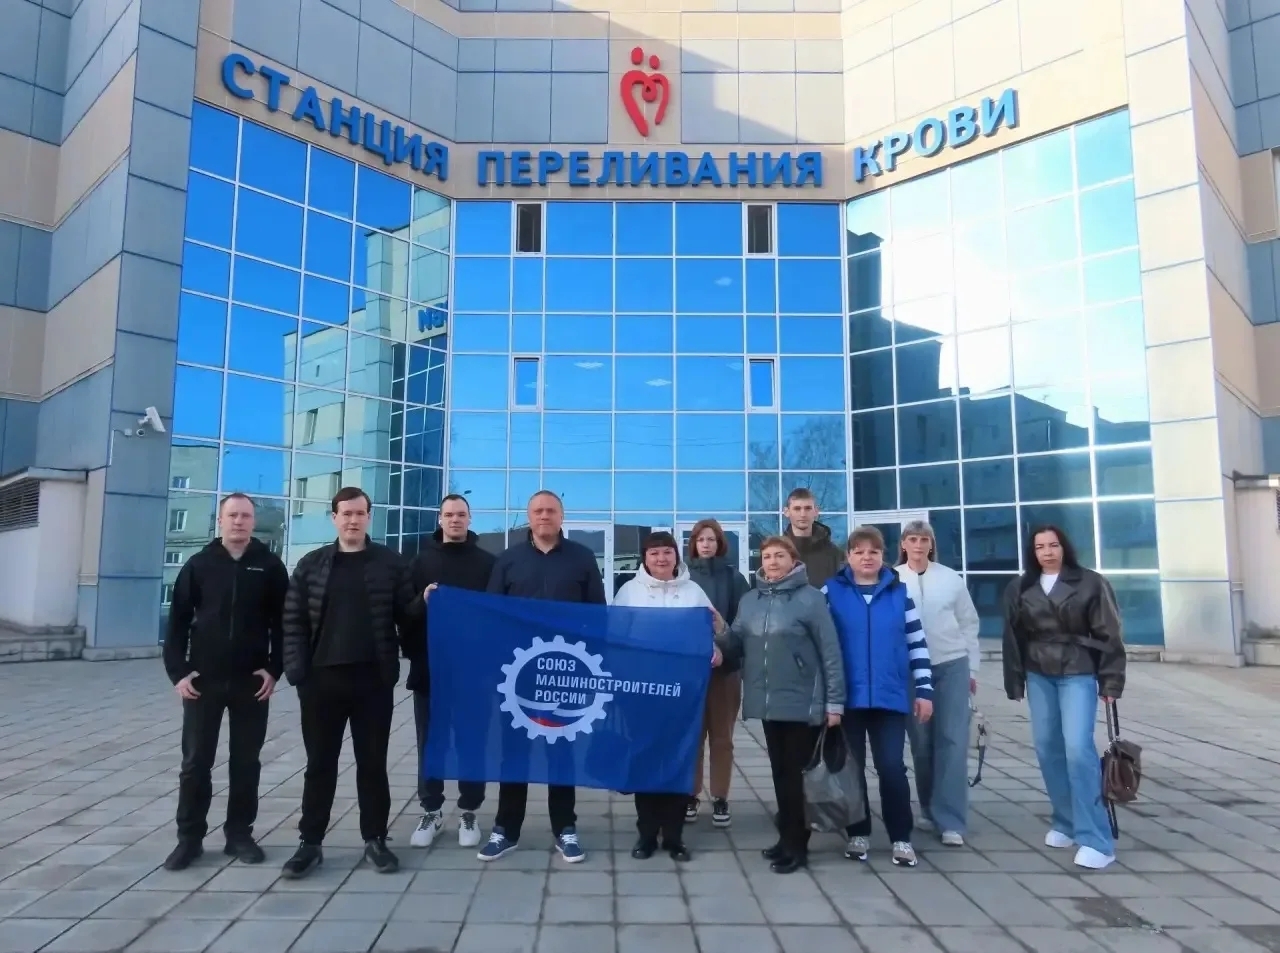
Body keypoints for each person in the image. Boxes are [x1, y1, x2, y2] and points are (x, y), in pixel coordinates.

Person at [280, 487, 419, 879]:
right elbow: (292, 620)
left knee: (372, 765)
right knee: (319, 765)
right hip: (321, 682)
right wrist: (298, 673)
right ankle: (310, 843)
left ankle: (375, 839)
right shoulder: (311, 564)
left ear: (369, 517)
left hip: (372, 682)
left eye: (360, 513)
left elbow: (406, 616)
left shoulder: (389, 563)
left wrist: (425, 601)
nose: (353, 520)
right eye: (346, 513)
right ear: (334, 518)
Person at [161, 493, 289, 871]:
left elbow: (284, 624)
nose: (239, 521)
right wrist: (178, 672)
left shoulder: (269, 566)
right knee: (196, 763)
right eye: (232, 515)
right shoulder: (199, 565)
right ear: (220, 521)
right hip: (204, 681)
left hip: (252, 682)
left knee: (246, 762)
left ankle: (239, 835)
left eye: (245, 516)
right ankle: (189, 839)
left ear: (253, 522)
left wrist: (274, 668)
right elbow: (177, 622)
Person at [479, 490, 607, 864]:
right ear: (529, 517)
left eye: (551, 510)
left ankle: (565, 828)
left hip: (564, 674)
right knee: (513, 754)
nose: (544, 516)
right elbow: (492, 614)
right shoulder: (508, 560)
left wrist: (589, 668)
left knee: (561, 754)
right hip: (517, 676)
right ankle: (506, 829)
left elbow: (597, 615)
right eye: (538, 511)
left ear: (561, 516)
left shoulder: (582, 558)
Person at [1002, 524, 1126, 871]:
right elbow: (1012, 637)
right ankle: (1066, 821)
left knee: (1078, 749)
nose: (1047, 552)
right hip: (1038, 672)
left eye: (1053, 544)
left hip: (1078, 670)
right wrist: (1015, 681)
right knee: (1047, 748)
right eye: (1040, 546)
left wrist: (1111, 681)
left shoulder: (1090, 582)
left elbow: (1110, 633)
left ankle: (1097, 839)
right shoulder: (1020, 587)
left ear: (1064, 547)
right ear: (1032, 552)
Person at [721, 535, 844, 874]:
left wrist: (835, 703)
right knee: (780, 774)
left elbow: (830, 653)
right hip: (768, 701)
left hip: (803, 702)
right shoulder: (750, 600)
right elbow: (736, 642)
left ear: (793, 560)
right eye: (767, 556)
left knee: (797, 777)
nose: (772, 562)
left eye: (779, 556)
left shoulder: (811, 599)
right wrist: (719, 631)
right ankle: (786, 838)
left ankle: (798, 846)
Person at [824, 526, 933, 868]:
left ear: (883, 556)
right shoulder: (830, 592)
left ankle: (901, 837)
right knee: (852, 770)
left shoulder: (900, 594)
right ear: (848, 557)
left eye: (873, 551)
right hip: (848, 699)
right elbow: (820, 644)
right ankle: (858, 833)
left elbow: (917, 644)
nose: (866, 557)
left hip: (890, 697)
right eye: (859, 551)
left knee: (892, 768)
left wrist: (925, 691)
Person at [615, 531, 726, 862]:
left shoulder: (693, 592)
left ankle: (675, 836)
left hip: (683, 693)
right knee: (646, 760)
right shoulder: (629, 592)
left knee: (679, 760)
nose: (661, 558)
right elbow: (616, 637)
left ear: (676, 556)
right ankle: (647, 834)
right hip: (643, 692)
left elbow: (713, 629)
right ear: (644, 558)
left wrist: (716, 648)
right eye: (654, 553)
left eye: (667, 552)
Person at [408, 494, 496, 850]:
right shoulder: (420, 562)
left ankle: (469, 810)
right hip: (430, 670)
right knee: (431, 743)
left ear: (470, 519)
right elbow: (404, 612)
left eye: (461, 514)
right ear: (440, 519)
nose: (455, 520)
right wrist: (422, 601)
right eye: (449, 514)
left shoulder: (488, 563)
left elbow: (497, 615)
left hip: (474, 673)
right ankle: (431, 809)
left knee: (472, 742)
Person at [896, 520, 980, 847]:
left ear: (931, 544)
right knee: (921, 742)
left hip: (951, 665)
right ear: (903, 544)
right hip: (911, 670)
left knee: (953, 741)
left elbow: (969, 623)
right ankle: (930, 808)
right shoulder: (893, 579)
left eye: (924, 539)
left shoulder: (950, 579)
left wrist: (972, 669)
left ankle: (952, 820)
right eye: (912, 539)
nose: (918, 545)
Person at [685, 518, 751, 828]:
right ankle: (691, 794)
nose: (706, 544)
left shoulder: (734, 578)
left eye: (711, 539)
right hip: (690, 673)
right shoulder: (683, 578)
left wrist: (723, 647)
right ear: (694, 544)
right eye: (701, 539)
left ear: (720, 543)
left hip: (725, 672)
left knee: (722, 738)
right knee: (693, 737)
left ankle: (721, 796)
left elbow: (743, 625)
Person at [783, 488, 844, 587]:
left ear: (816, 511)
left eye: (808, 508)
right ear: (786, 512)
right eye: (797, 509)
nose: (803, 514)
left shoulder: (834, 553)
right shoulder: (778, 552)